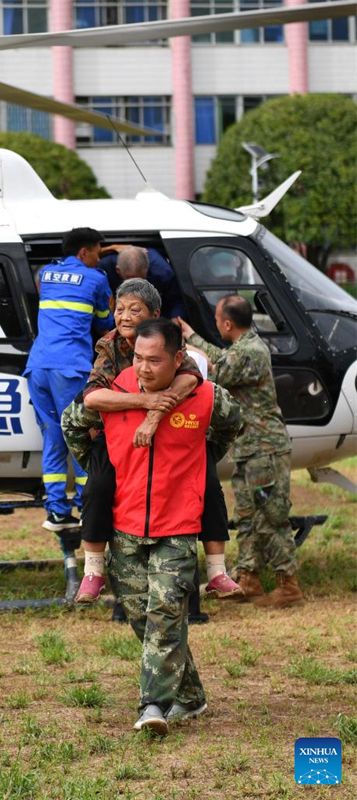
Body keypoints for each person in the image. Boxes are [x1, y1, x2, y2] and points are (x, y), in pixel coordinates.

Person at [99, 318, 241, 733]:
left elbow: (233, 423)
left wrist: (201, 458)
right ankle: (191, 695)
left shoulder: (207, 396)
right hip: (123, 526)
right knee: (144, 616)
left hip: (178, 526)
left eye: (155, 360)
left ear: (178, 359)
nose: (144, 368)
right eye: (139, 358)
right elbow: (76, 423)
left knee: (164, 612)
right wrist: (105, 468)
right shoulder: (115, 390)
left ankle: (153, 706)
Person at [62, 279, 242, 605]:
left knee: (209, 483)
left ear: (154, 314)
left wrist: (157, 416)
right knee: (99, 485)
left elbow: (191, 378)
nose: (125, 316)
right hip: (117, 434)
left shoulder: (165, 340)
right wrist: (143, 404)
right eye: (119, 309)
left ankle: (217, 570)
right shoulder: (109, 345)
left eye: (135, 310)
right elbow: (91, 398)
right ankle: (93, 569)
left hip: (170, 434)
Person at [178, 295, 304, 608]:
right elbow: (222, 359)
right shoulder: (244, 347)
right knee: (247, 516)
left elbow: (217, 370)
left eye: (218, 319)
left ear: (227, 323)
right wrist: (191, 337)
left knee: (270, 516)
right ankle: (248, 578)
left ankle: (289, 585)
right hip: (250, 448)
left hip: (264, 449)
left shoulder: (251, 350)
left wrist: (187, 348)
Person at [24, 227, 113, 532]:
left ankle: (57, 512)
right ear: (84, 252)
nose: (98, 259)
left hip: (37, 367)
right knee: (82, 435)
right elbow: (105, 323)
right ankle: (87, 509)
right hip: (69, 368)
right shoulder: (97, 279)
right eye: (97, 253)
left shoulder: (47, 274)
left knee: (52, 436)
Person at [98, 245, 187, 319]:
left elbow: (176, 300)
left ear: (146, 270)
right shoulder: (105, 267)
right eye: (129, 279)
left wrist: (175, 318)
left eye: (139, 279)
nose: (135, 285)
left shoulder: (162, 273)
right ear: (118, 271)